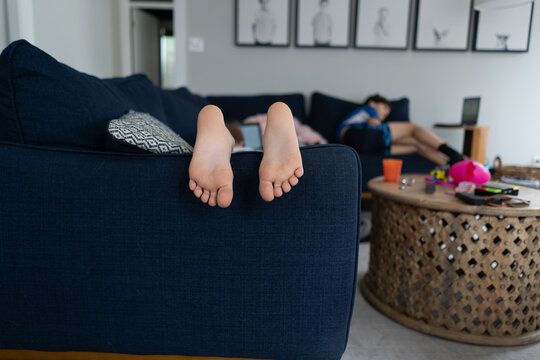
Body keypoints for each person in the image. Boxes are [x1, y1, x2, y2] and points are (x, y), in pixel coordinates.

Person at [189, 102, 304, 208]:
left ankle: (224, 141)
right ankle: (270, 140)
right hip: (260, 154)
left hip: (232, 153)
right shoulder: (252, 143)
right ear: (242, 142)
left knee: (224, 150)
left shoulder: (209, 154)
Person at [337, 94, 464, 166]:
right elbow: (374, 124)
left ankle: (451, 166)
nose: (386, 113)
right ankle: (453, 153)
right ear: (373, 102)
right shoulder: (369, 108)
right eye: (385, 108)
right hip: (356, 136)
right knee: (411, 128)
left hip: (365, 147)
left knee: (416, 146)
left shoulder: (361, 118)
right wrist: (377, 119)